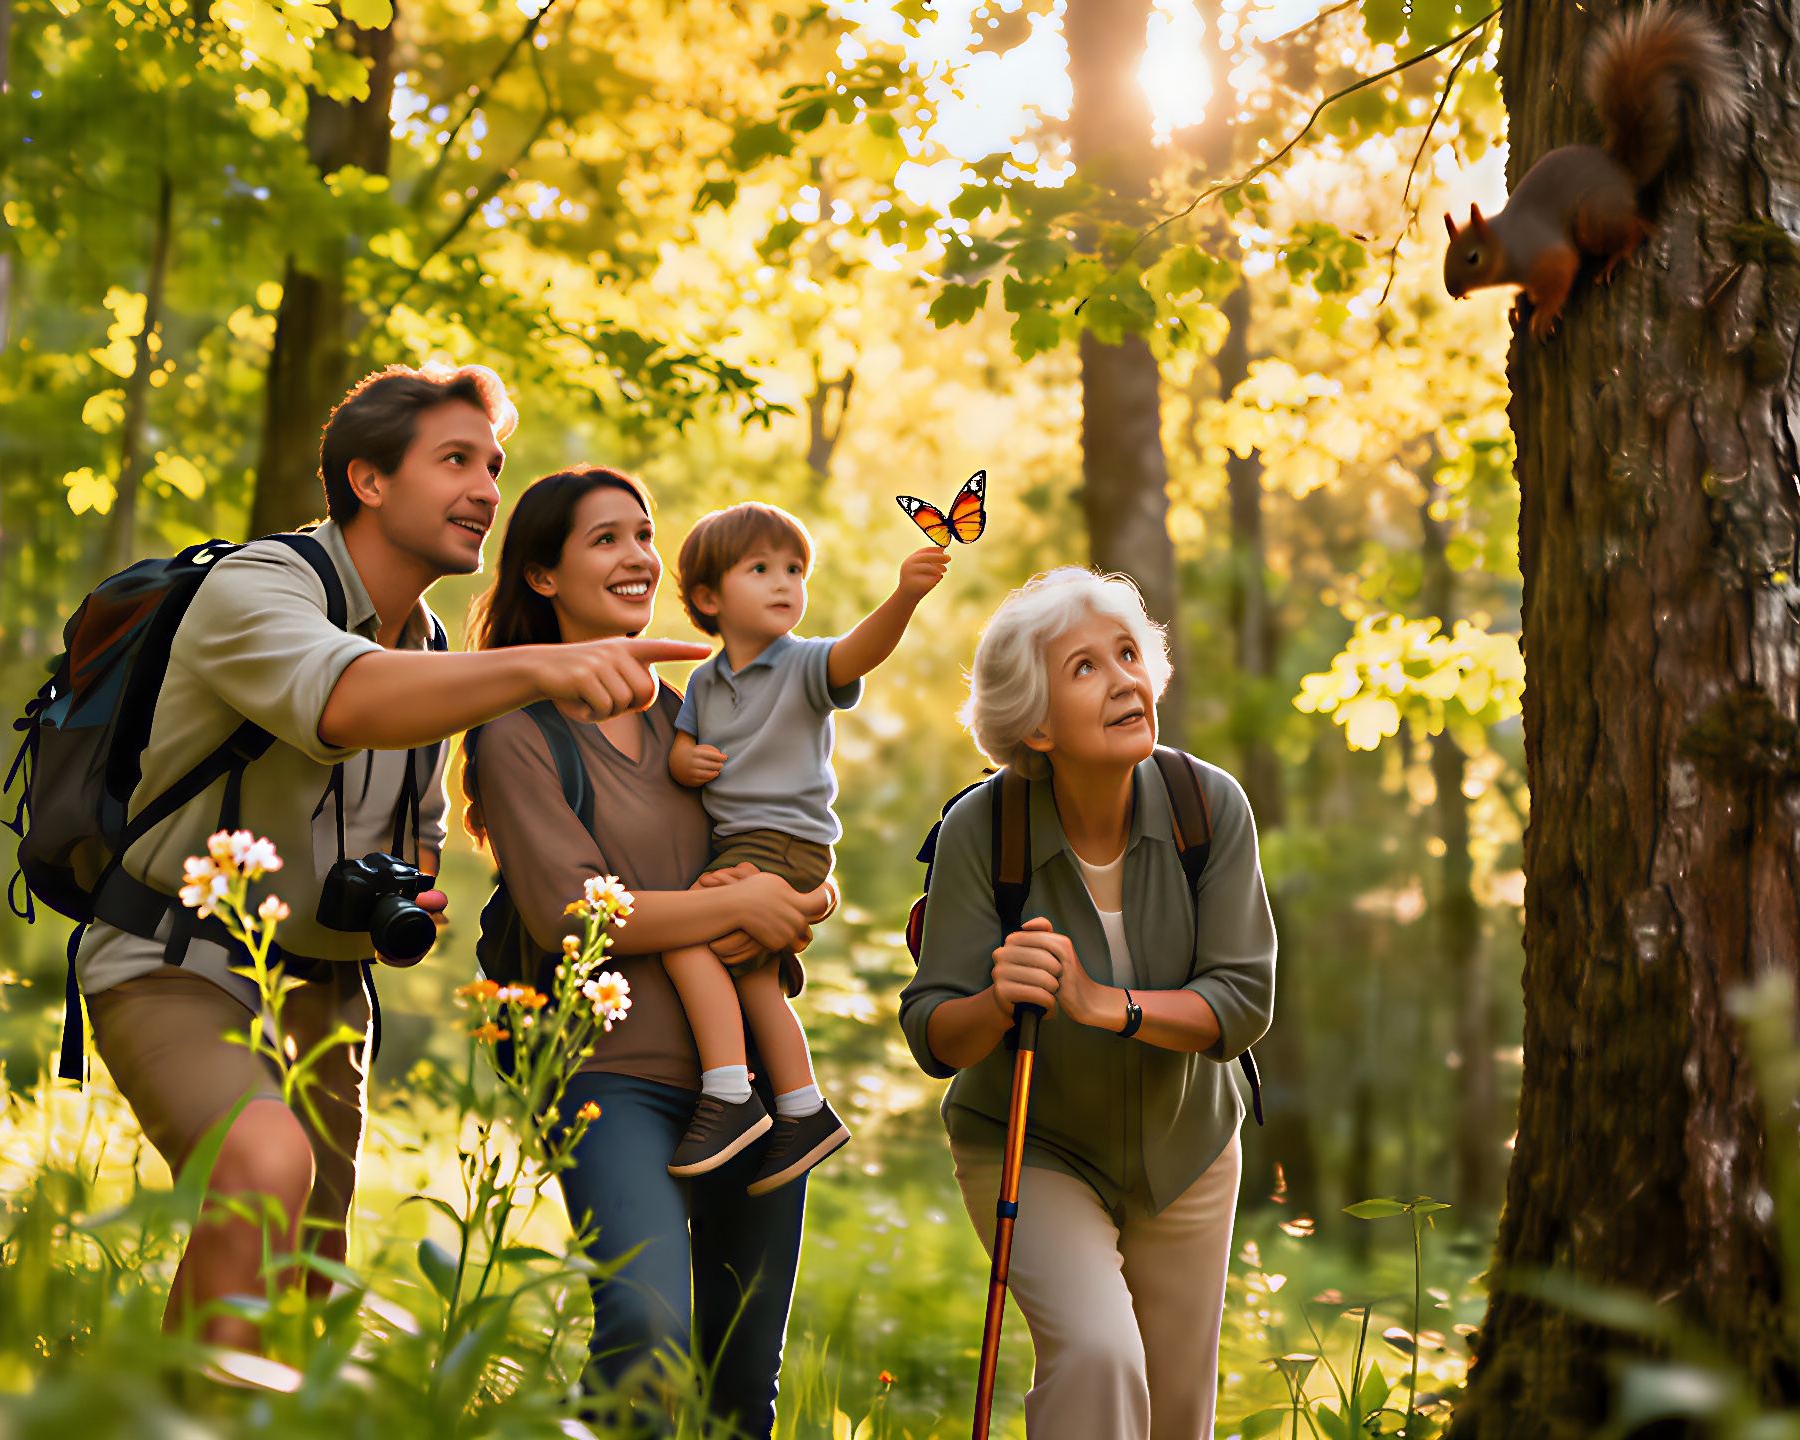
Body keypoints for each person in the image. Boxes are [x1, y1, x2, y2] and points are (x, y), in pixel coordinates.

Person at [75, 364, 711, 1368]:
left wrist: (405, 887)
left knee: (299, 1286)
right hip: (176, 959)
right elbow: (345, 703)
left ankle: (179, 1411)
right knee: (262, 1166)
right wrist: (543, 665)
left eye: (494, 466)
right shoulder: (261, 584)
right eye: (455, 461)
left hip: (325, 991)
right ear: (367, 480)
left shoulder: (427, 639)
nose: (488, 491)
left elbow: (416, 830)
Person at [461, 469, 836, 1437]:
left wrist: (809, 896)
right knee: (648, 1329)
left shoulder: (698, 711)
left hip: (749, 1090)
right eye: (605, 540)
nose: (637, 557)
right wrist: (743, 904)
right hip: (609, 1075)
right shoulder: (516, 729)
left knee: (739, 1383)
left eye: (644, 535)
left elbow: (779, 843)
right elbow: (575, 916)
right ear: (542, 576)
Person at [898, 567, 1277, 1438]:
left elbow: (1243, 1002)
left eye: (1129, 655)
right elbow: (933, 1030)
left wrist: (1109, 1006)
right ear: (1035, 721)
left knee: (1176, 1418)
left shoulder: (1207, 807)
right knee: (1102, 1359)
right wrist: (998, 999)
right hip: (1031, 1146)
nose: (1124, 681)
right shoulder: (980, 831)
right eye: (1085, 669)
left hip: (1186, 1147)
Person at [658, 503, 949, 1188]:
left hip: (786, 843)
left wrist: (904, 594)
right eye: (760, 569)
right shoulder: (703, 680)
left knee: (683, 936)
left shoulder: (805, 664)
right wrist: (684, 762)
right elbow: (680, 746)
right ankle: (802, 1106)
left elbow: (862, 649)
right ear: (708, 598)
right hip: (742, 844)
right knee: (756, 979)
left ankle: (729, 1092)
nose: (785, 583)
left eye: (795, 569)